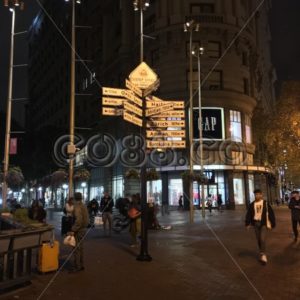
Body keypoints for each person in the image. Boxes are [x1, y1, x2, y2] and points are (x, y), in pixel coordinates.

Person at [245, 189, 276, 264]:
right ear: (254, 195)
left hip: (263, 224)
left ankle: (263, 255)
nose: (257, 196)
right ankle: (262, 252)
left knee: (262, 239)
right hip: (255, 223)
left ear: (261, 195)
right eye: (256, 194)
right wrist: (247, 223)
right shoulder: (252, 204)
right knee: (258, 239)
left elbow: (271, 213)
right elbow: (249, 214)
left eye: (259, 194)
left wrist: (273, 223)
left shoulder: (265, 203)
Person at [69, 192, 89, 273]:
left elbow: (78, 220)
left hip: (79, 230)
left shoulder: (77, 207)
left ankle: (76, 266)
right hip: (83, 229)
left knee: (76, 248)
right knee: (81, 247)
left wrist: (73, 229)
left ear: (75, 198)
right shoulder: (83, 205)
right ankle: (81, 265)